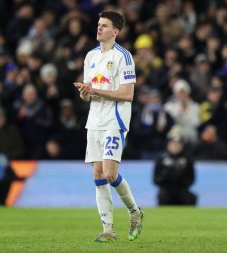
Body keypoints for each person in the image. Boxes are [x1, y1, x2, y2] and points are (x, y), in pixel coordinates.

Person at [74, 11, 143, 243]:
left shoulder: (124, 56)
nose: (99, 28)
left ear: (116, 31)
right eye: (98, 24)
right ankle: (108, 230)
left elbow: (128, 94)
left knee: (110, 173)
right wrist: (85, 93)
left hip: (115, 121)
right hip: (94, 121)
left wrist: (94, 90)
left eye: (104, 25)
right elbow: (88, 97)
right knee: (97, 174)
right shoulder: (90, 56)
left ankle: (134, 211)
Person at [154, 127, 197, 206]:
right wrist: (166, 174)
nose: (175, 146)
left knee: (190, 197)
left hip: (182, 190)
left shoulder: (187, 159)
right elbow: (156, 179)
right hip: (166, 190)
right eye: (173, 144)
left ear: (182, 145)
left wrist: (180, 178)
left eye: (177, 144)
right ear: (168, 145)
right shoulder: (161, 159)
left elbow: (191, 179)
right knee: (163, 196)